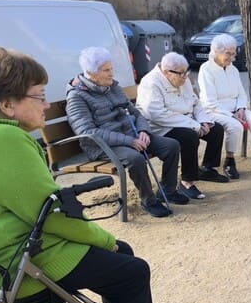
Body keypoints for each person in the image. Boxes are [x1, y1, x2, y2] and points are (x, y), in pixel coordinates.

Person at [0, 47, 181, 303]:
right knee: (131, 271)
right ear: (7, 104)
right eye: (39, 96)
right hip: (8, 264)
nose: (46, 104)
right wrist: (104, 239)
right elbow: (50, 214)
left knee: (122, 255)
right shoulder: (1, 139)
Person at [66, 47, 187, 218]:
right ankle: (149, 201)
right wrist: (128, 141)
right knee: (135, 158)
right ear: (91, 73)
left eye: (111, 68)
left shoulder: (112, 87)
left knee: (171, 145)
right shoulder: (77, 97)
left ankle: (168, 190)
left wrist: (143, 130)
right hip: (102, 146)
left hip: (132, 135)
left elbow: (135, 112)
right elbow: (88, 131)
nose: (111, 73)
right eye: (106, 70)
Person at [136, 52, 228, 200]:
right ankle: (187, 182)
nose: (185, 77)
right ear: (166, 72)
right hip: (161, 127)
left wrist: (203, 121)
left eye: (186, 72)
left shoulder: (181, 78)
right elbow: (157, 114)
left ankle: (207, 168)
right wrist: (194, 125)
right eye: (181, 74)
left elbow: (195, 102)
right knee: (189, 137)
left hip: (186, 121)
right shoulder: (151, 83)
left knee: (216, 129)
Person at [198, 34, 251, 178]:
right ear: (216, 52)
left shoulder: (232, 69)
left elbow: (241, 93)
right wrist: (232, 115)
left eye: (233, 54)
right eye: (228, 54)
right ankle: (229, 161)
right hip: (214, 111)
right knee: (235, 126)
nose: (232, 58)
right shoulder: (206, 69)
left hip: (235, 109)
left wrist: (241, 108)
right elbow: (210, 101)